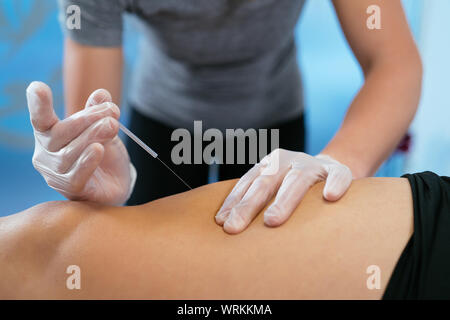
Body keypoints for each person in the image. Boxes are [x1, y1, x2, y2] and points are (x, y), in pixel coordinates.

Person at [31, 0, 422, 234]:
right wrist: (88, 167)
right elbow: (90, 127)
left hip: (273, 115)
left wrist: (339, 161)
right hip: (162, 119)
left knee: (267, 271)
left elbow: (393, 62)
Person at [1, 170, 449, 299]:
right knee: (55, 250)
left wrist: (329, 167)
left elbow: (393, 60)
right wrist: (86, 163)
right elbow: (45, 256)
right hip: (165, 109)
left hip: (271, 102)